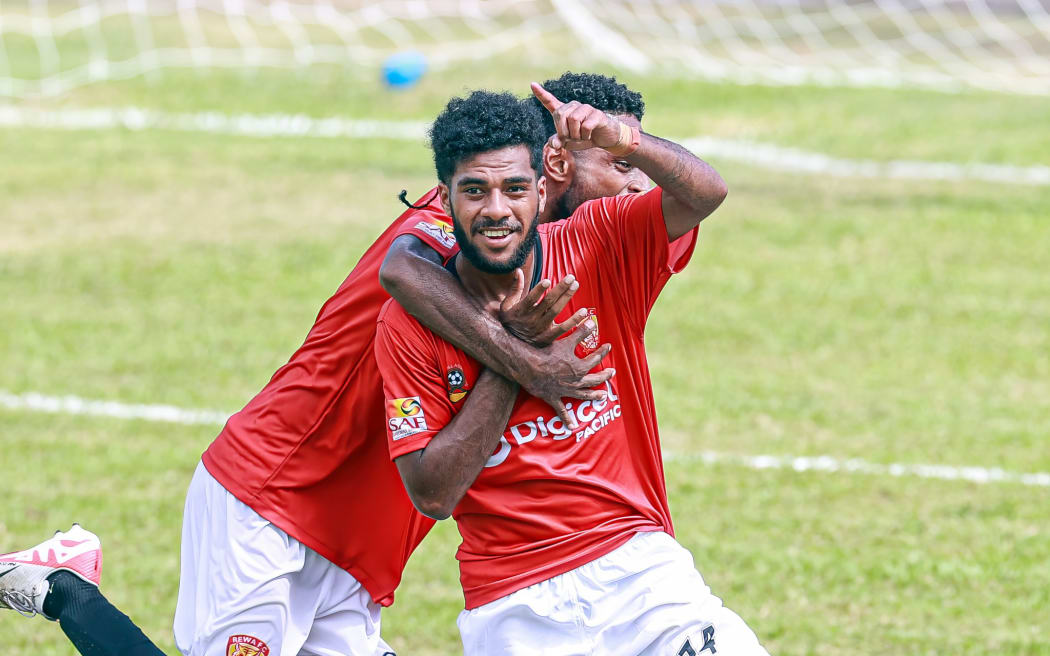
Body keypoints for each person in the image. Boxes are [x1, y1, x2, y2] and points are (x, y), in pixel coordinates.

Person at [2, 73, 661, 656]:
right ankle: (66, 592)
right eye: (619, 164)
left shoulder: (577, 246)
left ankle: (66, 588)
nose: (636, 184)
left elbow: (690, 207)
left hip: (366, 538)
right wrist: (528, 363)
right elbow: (404, 269)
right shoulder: (475, 217)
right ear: (556, 162)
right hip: (277, 492)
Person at [375, 86, 768, 655]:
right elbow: (433, 494)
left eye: (514, 189)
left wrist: (625, 142)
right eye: (475, 191)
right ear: (446, 198)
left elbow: (707, 192)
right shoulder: (410, 325)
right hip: (513, 608)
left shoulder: (598, 242)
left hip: (642, 578)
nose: (497, 210)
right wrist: (517, 360)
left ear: (541, 188)